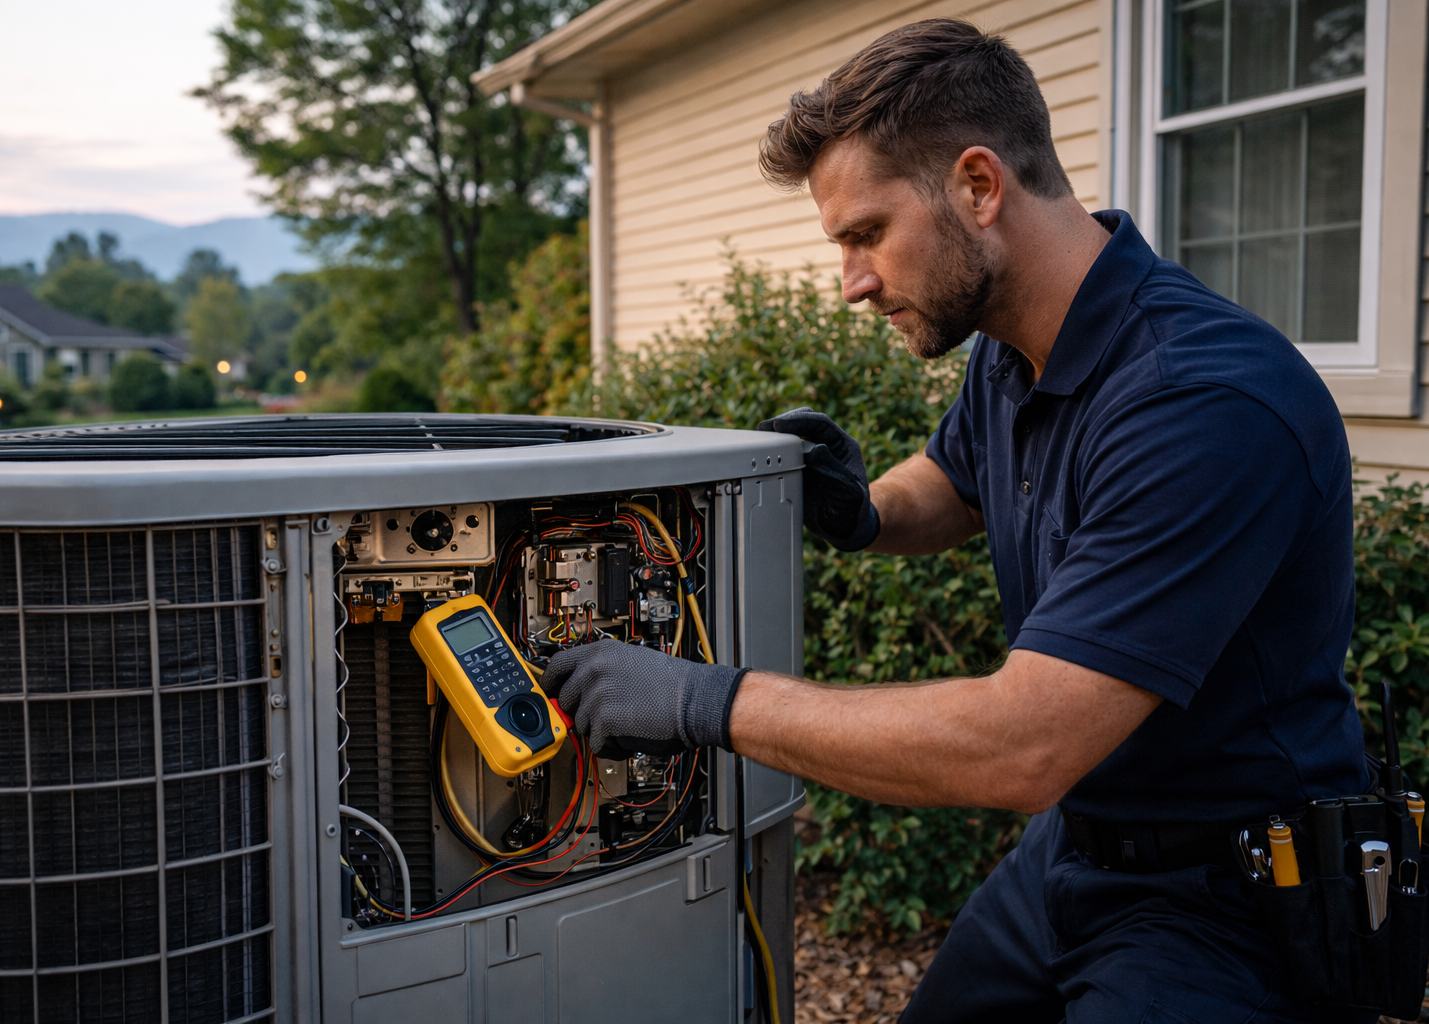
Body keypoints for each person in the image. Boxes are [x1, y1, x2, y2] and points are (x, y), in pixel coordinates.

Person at [540, 18, 1371, 1023]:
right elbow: (954, 483)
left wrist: (703, 704)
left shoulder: (1203, 404)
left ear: (978, 186)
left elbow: (1022, 746)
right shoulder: (1013, 347)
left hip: (1225, 905)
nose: (851, 281)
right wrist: (863, 511)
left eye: (865, 234)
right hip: (1074, 850)